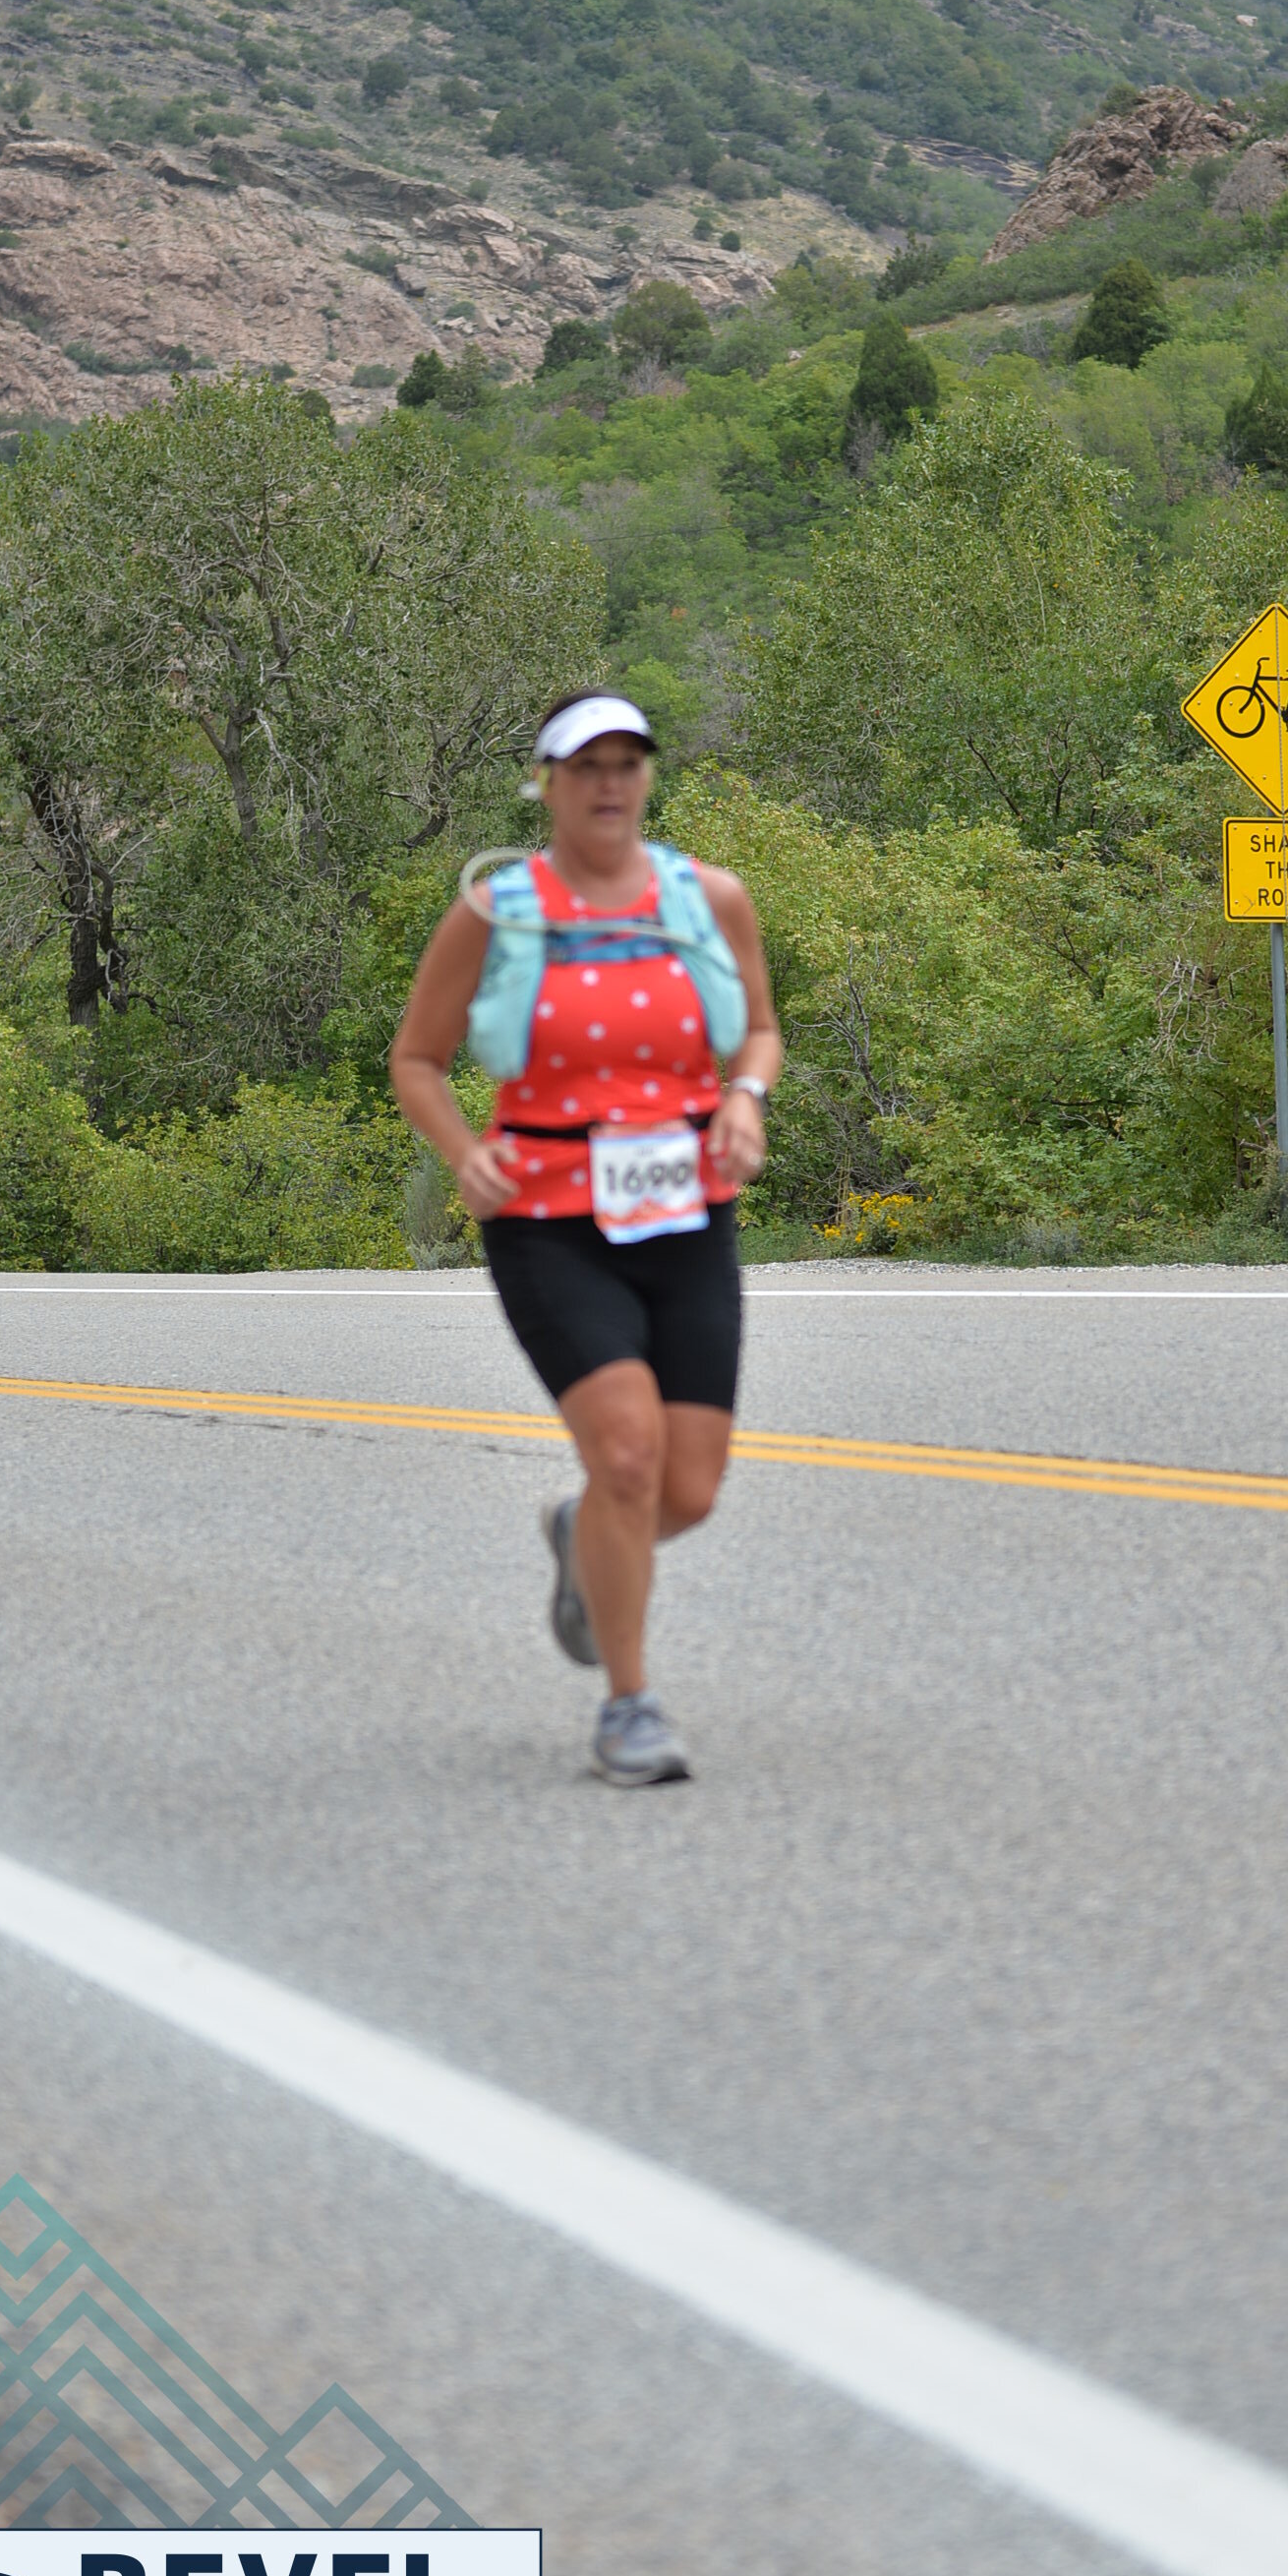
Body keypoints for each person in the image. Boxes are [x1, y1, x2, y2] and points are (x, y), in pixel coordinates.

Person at [388, 691, 783, 1786]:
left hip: (685, 1213)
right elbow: (416, 1058)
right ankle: (628, 1706)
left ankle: (583, 1535)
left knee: (686, 1491)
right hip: (548, 1218)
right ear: (547, 783)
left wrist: (744, 1099)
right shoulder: (498, 911)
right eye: (585, 765)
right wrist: (464, 1150)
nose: (609, 783)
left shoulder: (710, 898)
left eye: (627, 763)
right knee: (626, 1457)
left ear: (647, 777)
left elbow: (758, 1028)